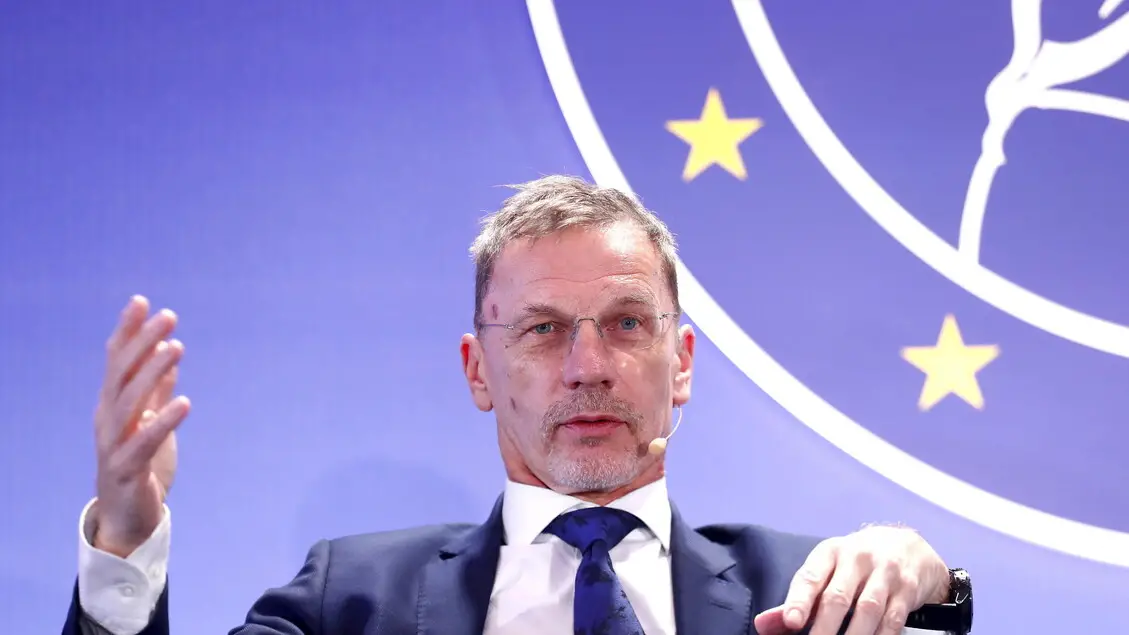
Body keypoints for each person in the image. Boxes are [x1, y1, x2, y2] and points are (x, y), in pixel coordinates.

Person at [62, 175, 967, 635]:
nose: (587, 366)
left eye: (625, 322)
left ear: (681, 362)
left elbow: (920, 607)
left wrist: (931, 591)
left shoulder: (805, 588)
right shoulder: (353, 599)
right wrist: (125, 540)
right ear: (478, 371)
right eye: (541, 329)